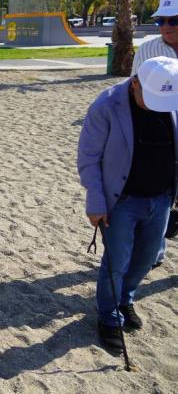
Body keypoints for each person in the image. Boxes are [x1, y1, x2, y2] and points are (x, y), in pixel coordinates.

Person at [77, 56, 178, 350]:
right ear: (135, 83)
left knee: (147, 257)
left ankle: (125, 299)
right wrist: (95, 201)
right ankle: (108, 316)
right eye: (152, 97)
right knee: (117, 262)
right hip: (121, 200)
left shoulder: (172, 97)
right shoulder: (107, 105)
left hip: (160, 198)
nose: (160, 105)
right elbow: (88, 158)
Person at [130, 0, 178, 268]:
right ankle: (155, 251)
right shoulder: (148, 49)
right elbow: (134, 88)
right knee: (161, 193)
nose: (167, 26)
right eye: (162, 21)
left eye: (174, 20)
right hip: (159, 132)